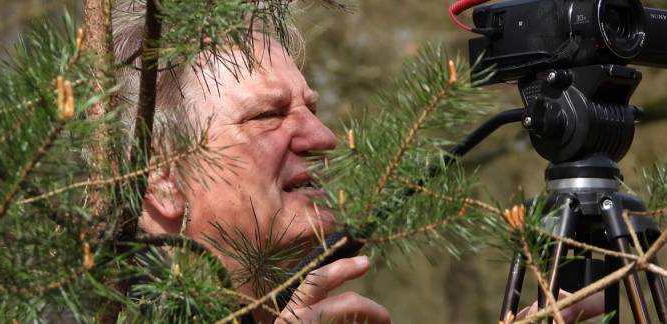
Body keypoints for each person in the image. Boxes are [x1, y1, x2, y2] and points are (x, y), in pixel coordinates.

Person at [113, 3, 602, 323]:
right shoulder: (73, 308)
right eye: (267, 115)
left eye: (313, 109)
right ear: (161, 177)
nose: (323, 137)